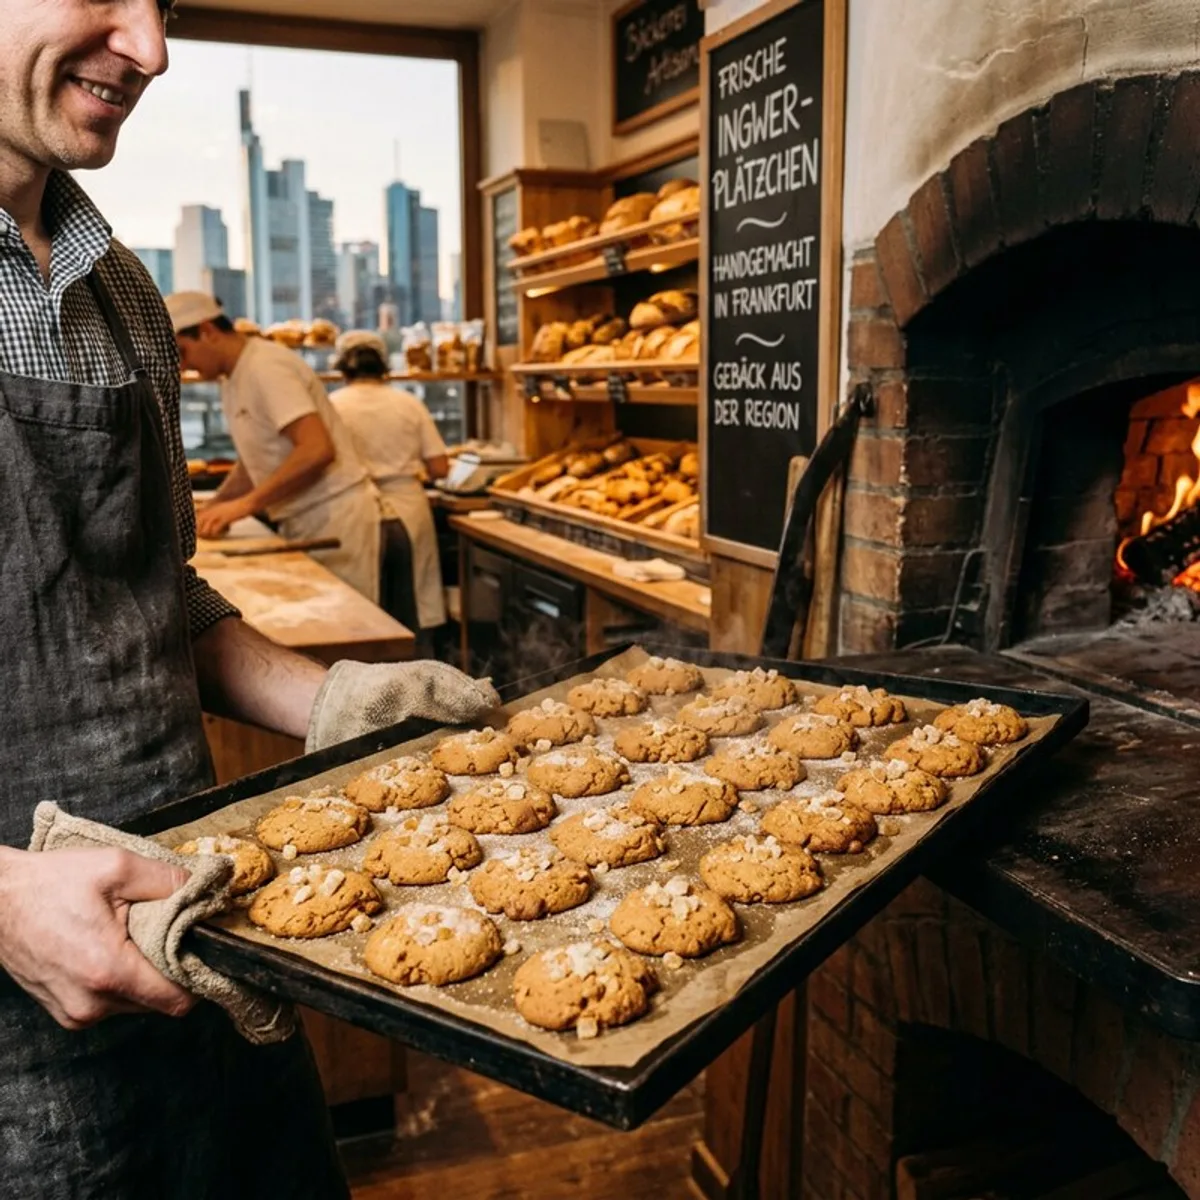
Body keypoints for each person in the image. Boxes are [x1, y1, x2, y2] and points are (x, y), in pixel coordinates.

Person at [0, 2, 494, 1194]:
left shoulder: (118, 287)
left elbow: (153, 597)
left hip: (211, 936)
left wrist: (333, 702)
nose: (153, 49)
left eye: (164, 3)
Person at [168, 291, 384, 602]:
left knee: (347, 628)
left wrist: (244, 506)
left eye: (184, 353)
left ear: (207, 331)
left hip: (335, 516)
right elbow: (254, 460)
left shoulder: (265, 367)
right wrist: (217, 504)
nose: (184, 367)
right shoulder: (232, 377)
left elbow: (317, 449)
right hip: (303, 517)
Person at [329, 330, 450, 632]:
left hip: (353, 513)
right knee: (411, 615)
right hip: (409, 512)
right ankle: (420, 676)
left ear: (343, 367)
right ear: (383, 366)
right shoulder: (408, 403)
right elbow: (439, 467)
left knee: (364, 616)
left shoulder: (332, 405)